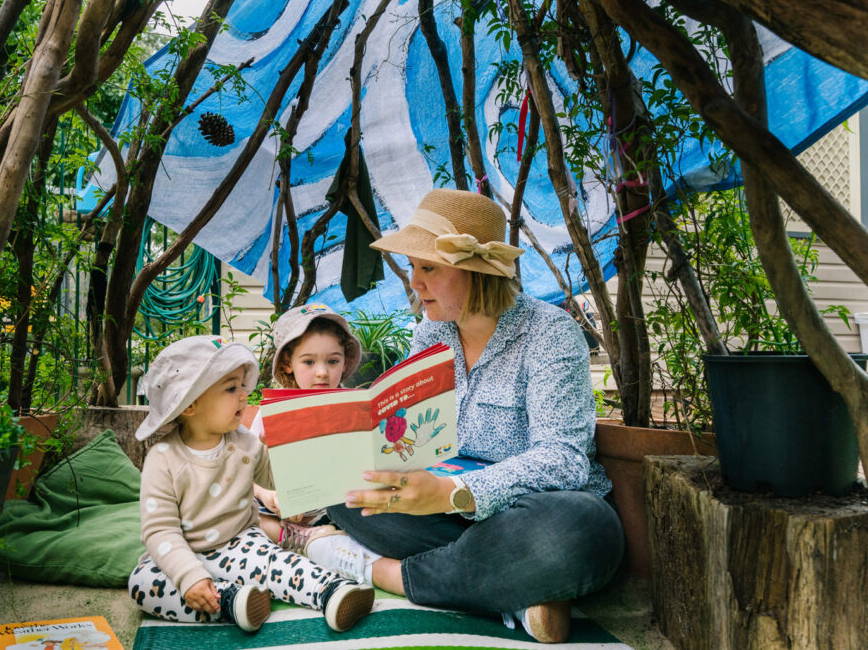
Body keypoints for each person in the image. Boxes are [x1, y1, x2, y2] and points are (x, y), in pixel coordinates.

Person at [304, 189, 624, 644]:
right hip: (445, 515)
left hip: (525, 513)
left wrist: (454, 492)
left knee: (580, 533)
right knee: (341, 481)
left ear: (476, 270)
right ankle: (508, 586)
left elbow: (564, 459)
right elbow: (407, 436)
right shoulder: (430, 334)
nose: (414, 282)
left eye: (428, 267)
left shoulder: (551, 334)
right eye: (413, 267)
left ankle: (381, 571)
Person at [127, 335, 374, 633]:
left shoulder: (245, 442)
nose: (244, 395)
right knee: (142, 584)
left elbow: (275, 480)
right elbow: (160, 530)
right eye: (231, 388)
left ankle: (332, 591)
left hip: (241, 544)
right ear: (189, 404)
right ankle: (233, 603)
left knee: (277, 563)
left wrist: (281, 450)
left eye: (243, 385)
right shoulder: (162, 459)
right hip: (184, 552)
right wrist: (188, 575)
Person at [249, 303, 363, 545]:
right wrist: (268, 494)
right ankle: (296, 538)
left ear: (344, 363)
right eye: (309, 362)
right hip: (281, 508)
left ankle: (322, 538)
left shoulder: (353, 407)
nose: (322, 372)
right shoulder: (272, 411)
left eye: (333, 361)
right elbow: (247, 473)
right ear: (288, 364)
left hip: (337, 509)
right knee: (243, 511)